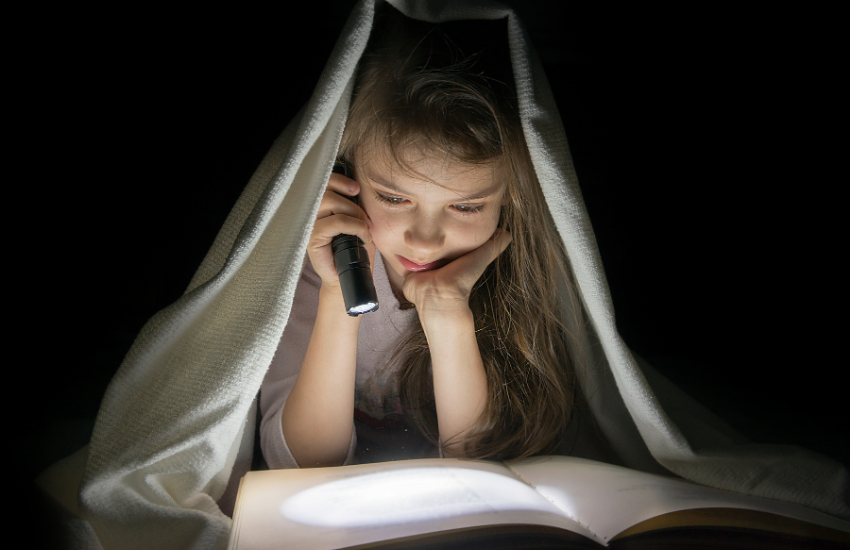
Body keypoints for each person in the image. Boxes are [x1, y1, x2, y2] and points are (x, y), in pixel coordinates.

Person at [260, 4, 590, 469]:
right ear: (345, 176)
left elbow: (480, 464)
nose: (426, 240)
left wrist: (447, 314)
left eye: (467, 206)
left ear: (510, 198)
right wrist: (340, 295)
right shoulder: (312, 273)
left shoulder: (526, 276)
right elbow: (304, 465)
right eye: (395, 199)